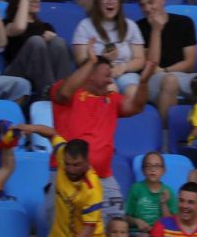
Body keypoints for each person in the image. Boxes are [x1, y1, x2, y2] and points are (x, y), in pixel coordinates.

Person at [51, 54, 157, 221]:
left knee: (116, 229)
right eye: (107, 75)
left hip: (104, 178)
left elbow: (136, 107)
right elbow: (63, 94)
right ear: (90, 74)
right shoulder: (68, 92)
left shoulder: (110, 99)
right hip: (69, 177)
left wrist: (143, 82)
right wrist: (91, 61)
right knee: (68, 235)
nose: (110, 81)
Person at [18, 129, 104, 237]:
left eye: (76, 165)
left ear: (87, 162)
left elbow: (89, 229)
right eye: (68, 164)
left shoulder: (92, 189)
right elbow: (51, 134)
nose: (71, 169)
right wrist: (31, 127)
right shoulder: (62, 154)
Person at [133, 0, 197, 121]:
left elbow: (190, 63)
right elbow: (151, 65)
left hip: (178, 74)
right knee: (170, 81)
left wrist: (166, 71)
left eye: (151, 2)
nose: (147, 9)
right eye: (142, 5)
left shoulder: (184, 22)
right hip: (152, 80)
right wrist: (156, 30)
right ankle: (166, 137)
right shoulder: (138, 27)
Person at [3, 0, 76, 102]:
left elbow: (60, 54)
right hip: (16, 72)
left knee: (58, 42)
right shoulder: (8, 23)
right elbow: (20, 27)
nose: (37, 0)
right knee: (36, 41)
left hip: (43, 74)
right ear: (20, 1)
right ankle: (47, 92)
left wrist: (52, 38)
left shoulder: (45, 26)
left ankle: (63, 90)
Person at [71, 0, 145, 99]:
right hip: (98, 74)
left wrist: (123, 67)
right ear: (97, 3)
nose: (110, 2)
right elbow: (80, 61)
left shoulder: (131, 25)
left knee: (133, 92)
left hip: (126, 73)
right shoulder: (85, 25)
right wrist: (102, 60)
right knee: (110, 91)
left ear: (119, 3)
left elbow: (140, 59)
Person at [125, 152, 175, 237]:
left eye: (157, 166)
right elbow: (126, 217)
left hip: (160, 235)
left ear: (163, 170)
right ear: (143, 171)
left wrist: (163, 204)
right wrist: (137, 221)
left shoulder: (168, 191)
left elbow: (170, 224)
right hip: (138, 234)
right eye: (149, 166)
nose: (153, 169)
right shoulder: (136, 189)